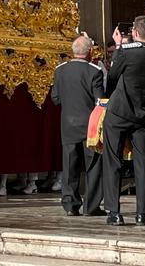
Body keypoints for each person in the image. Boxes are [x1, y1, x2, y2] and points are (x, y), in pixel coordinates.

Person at [102, 15, 145, 226]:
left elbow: (112, 77)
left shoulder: (126, 53)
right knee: (142, 163)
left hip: (119, 112)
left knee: (113, 160)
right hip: (143, 115)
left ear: (136, 33)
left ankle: (114, 211)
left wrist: (120, 46)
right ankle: (143, 213)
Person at [50, 33, 105, 217]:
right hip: (89, 124)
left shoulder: (60, 70)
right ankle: (92, 205)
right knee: (93, 165)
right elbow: (100, 101)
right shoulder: (94, 71)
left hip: (68, 124)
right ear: (89, 52)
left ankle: (70, 204)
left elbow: (55, 98)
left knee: (69, 164)